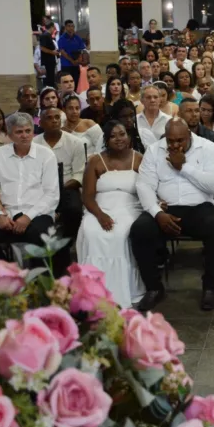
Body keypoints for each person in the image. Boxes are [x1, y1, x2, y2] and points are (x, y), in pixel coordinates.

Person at [131, 119, 214, 311]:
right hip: (166, 209)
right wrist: (157, 213)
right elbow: (144, 185)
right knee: (139, 230)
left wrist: (183, 167)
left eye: (180, 140)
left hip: (199, 207)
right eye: (170, 141)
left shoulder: (208, 148)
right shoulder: (153, 150)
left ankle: (210, 287)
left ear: (190, 135)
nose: (174, 145)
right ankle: (154, 288)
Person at [0, 112, 60, 263]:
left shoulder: (46, 155)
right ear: (10, 135)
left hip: (37, 214)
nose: (24, 135)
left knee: (41, 238)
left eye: (28, 131)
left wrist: (28, 217)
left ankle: (42, 283)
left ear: (33, 131)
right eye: (19, 132)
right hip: (6, 215)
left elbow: (52, 195)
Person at [76, 120, 146, 309]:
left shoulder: (139, 159)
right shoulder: (95, 161)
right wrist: (100, 215)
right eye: (113, 136)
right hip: (100, 207)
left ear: (129, 136)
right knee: (91, 232)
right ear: (106, 140)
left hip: (130, 206)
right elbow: (87, 197)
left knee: (120, 233)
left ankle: (124, 291)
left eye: (122, 134)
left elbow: (147, 189)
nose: (118, 139)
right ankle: (94, 293)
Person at [34, 107, 86, 246]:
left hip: (67, 186)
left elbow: (79, 173)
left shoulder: (75, 142)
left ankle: (67, 244)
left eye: (57, 117)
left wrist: (60, 188)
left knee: (74, 210)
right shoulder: (33, 144)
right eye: (49, 118)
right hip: (40, 189)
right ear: (41, 123)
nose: (54, 121)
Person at [56, 19, 85, 85]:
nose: (71, 28)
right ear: (65, 27)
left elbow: (82, 50)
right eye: (69, 26)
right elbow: (62, 52)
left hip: (76, 64)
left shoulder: (77, 38)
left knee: (76, 82)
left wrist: (79, 60)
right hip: (66, 65)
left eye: (72, 26)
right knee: (67, 82)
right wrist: (72, 61)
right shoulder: (62, 39)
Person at [35, 17, 58, 88]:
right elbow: (42, 48)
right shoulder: (45, 35)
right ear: (51, 27)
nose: (54, 29)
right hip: (48, 62)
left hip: (51, 61)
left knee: (51, 80)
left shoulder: (48, 36)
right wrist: (52, 52)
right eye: (54, 28)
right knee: (48, 81)